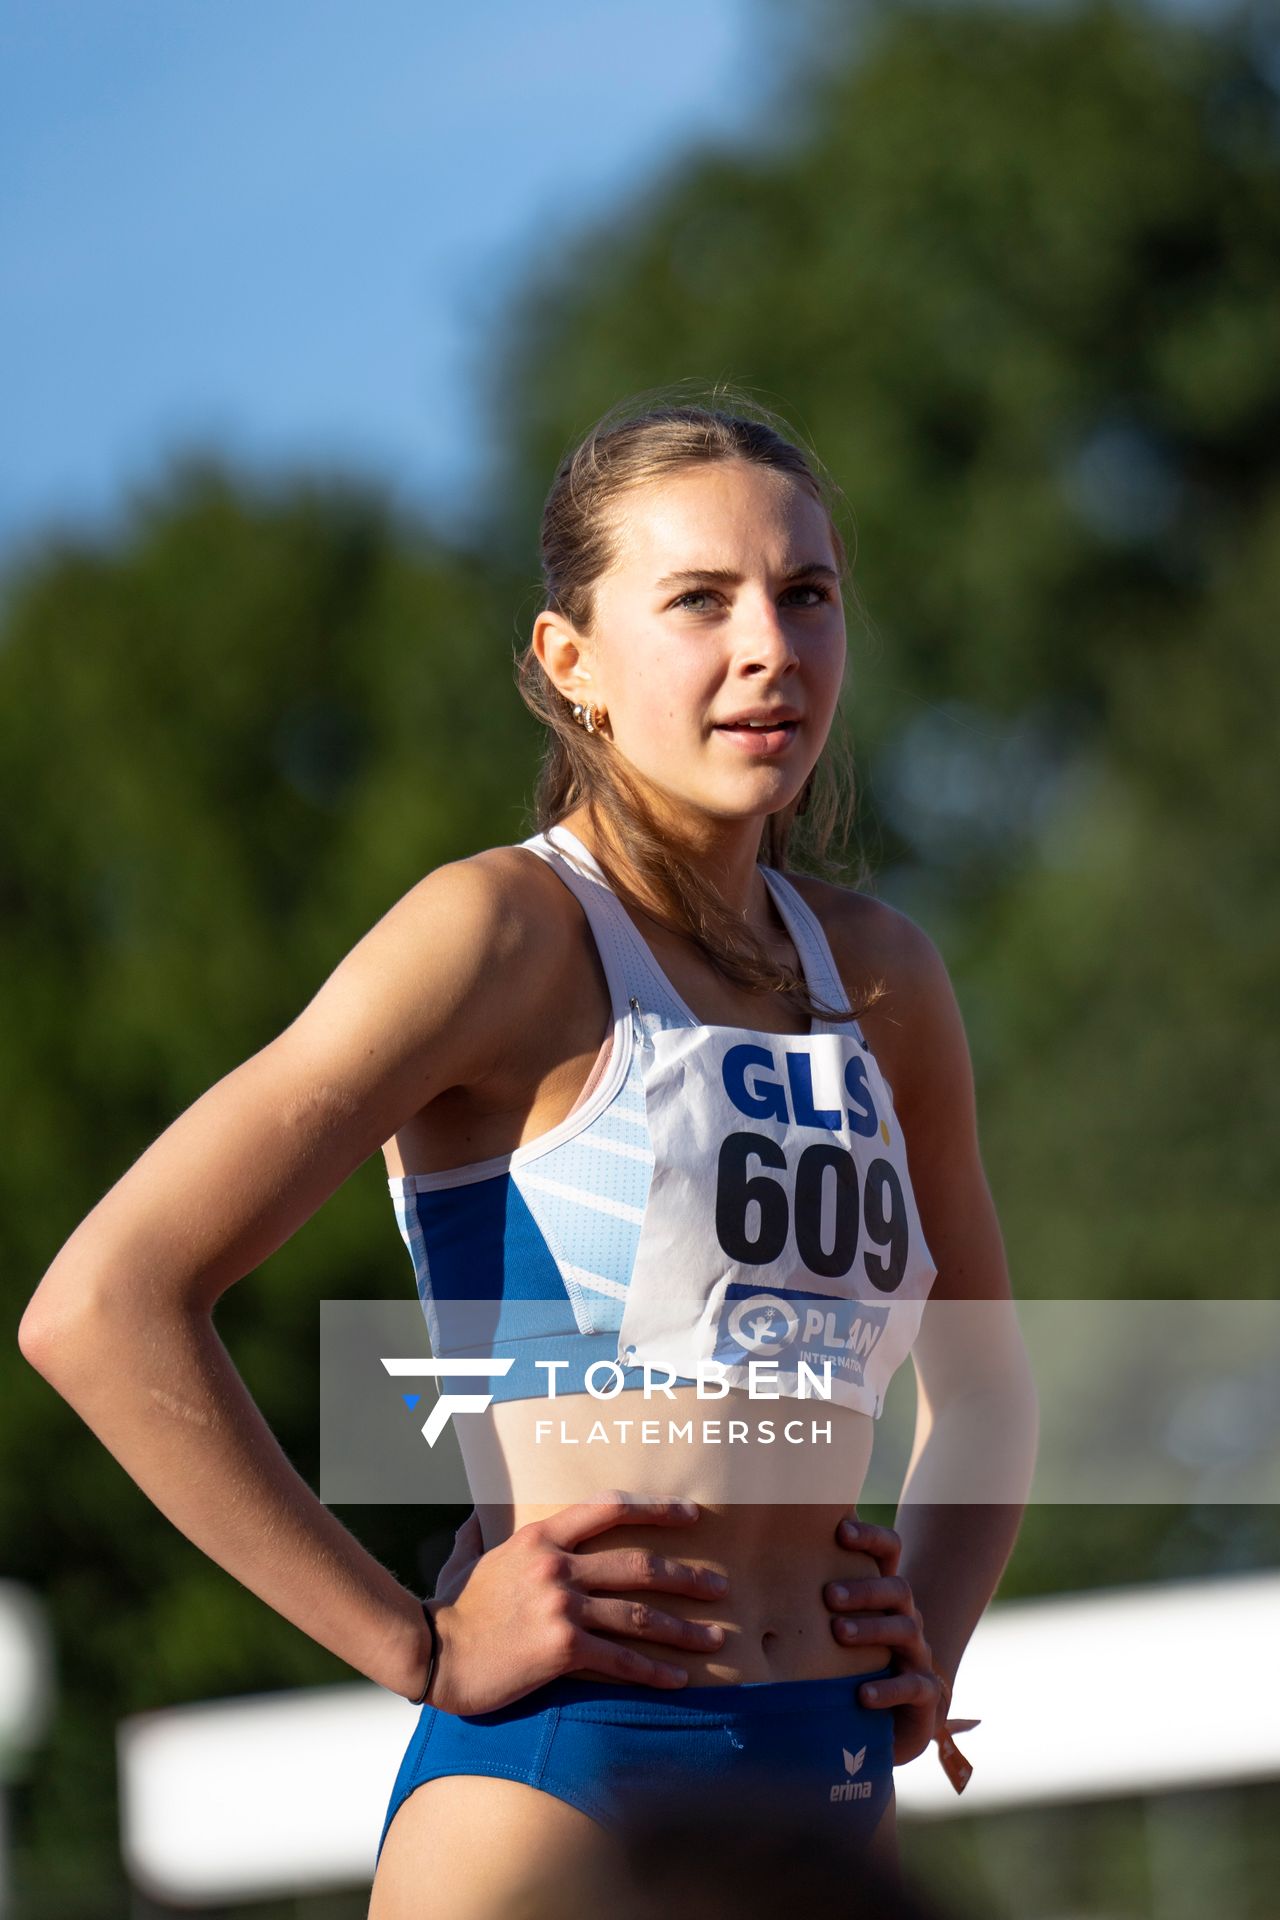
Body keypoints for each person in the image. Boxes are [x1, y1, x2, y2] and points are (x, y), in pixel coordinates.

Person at [18, 393, 1038, 1920]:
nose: (770, 646)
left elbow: (991, 1387)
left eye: (806, 592)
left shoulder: (884, 978)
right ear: (573, 663)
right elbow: (103, 1306)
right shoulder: (502, 935)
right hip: (568, 1776)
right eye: (699, 600)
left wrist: (928, 1645)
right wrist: (412, 1644)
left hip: (827, 1779)